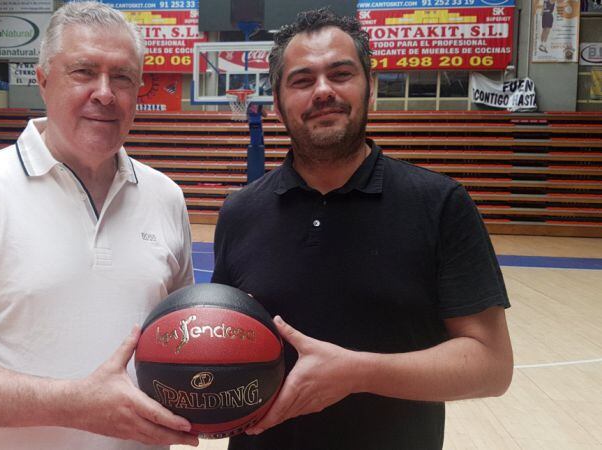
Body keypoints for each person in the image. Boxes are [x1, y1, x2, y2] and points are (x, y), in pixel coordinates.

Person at [212, 8, 513, 449]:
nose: (323, 91)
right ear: (277, 104)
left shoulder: (440, 204)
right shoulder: (240, 212)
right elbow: (221, 352)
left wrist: (358, 372)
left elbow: (491, 366)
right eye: (302, 80)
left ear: (370, 90)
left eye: (341, 73)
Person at [0, 3, 198, 449]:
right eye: (83, 71)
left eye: (122, 77)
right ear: (43, 80)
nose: (105, 93)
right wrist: (76, 404)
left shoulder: (166, 196)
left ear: (138, 90)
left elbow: (178, 350)